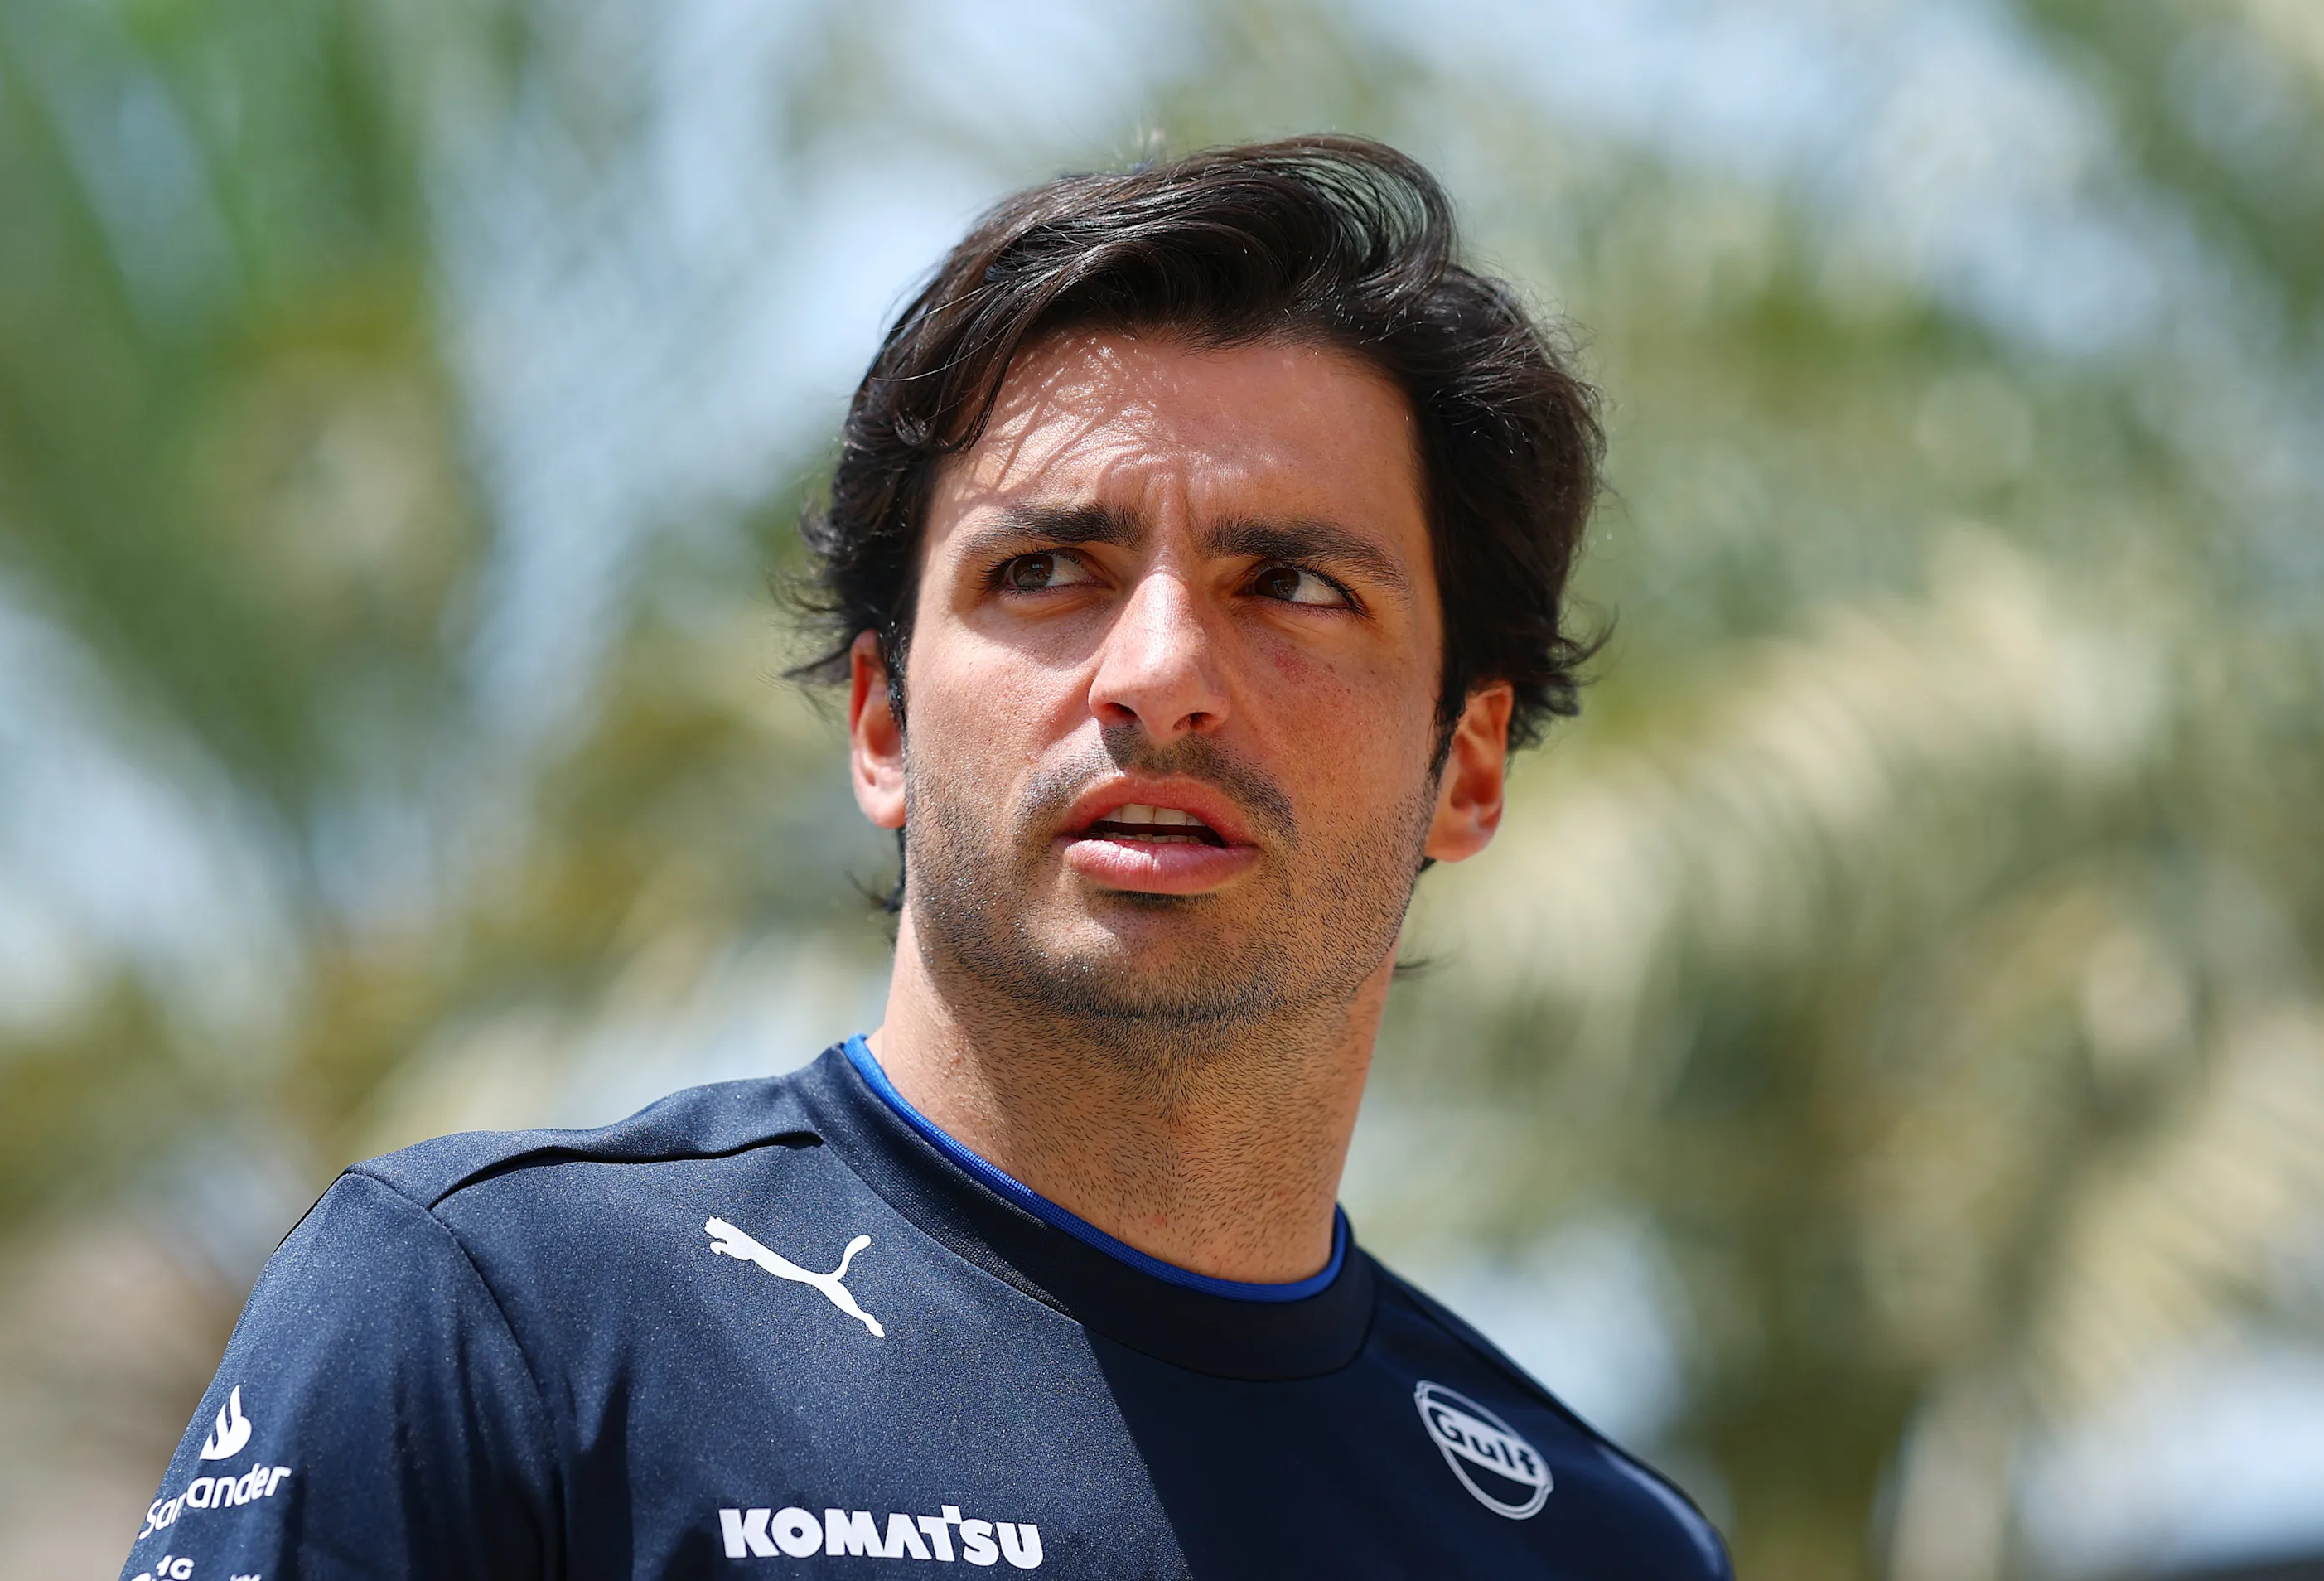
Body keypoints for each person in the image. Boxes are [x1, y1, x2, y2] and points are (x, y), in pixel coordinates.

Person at [119, 135, 1732, 1581]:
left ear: (1465, 764)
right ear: (881, 723)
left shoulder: (1598, 1549)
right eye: (1045, 569)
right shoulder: (493, 1320)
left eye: (1296, 588)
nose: (1160, 673)